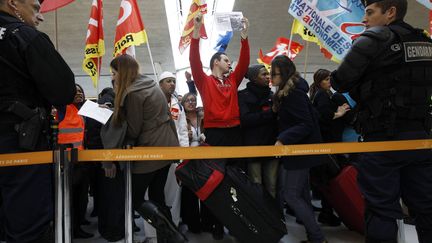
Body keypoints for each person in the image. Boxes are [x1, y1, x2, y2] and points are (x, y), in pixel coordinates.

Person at [330, 0, 432, 242]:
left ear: (390, 13)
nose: (364, 19)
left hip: (383, 141)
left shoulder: (374, 39)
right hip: (421, 141)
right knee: (427, 208)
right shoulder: (426, 43)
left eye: (369, 12)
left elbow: (339, 81)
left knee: (381, 210)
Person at [0, 0, 76, 242]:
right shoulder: (24, 36)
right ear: (13, 3)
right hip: (21, 146)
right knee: (28, 227)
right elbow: (63, 90)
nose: (40, 17)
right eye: (35, 8)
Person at [109, 54, 185, 243]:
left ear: (123, 72)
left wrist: (114, 122)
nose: (113, 76)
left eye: (114, 72)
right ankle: (169, 237)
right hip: (167, 145)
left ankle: (172, 234)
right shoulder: (150, 84)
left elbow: (134, 128)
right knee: (157, 195)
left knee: (135, 197)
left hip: (150, 148)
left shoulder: (133, 92)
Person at [189, 12, 250, 240]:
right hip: (215, 133)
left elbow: (244, 62)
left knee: (235, 179)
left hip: (235, 132)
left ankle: (236, 222)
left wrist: (244, 37)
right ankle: (214, 223)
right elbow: (194, 60)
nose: (230, 63)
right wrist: (196, 32)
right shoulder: (204, 80)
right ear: (216, 62)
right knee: (214, 179)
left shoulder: (233, 80)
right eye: (226, 60)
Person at [271, 55, 327, 243]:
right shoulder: (293, 92)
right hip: (299, 151)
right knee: (301, 195)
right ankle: (314, 236)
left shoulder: (294, 94)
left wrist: (282, 139)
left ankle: (317, 237)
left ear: (284, 74)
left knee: (291, 195)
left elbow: (306, 123)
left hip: (299, 152)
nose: (272, 78)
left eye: (275, 74)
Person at [238, 64, 279, 198]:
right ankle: (260, 216)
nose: (268, 77)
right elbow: (245, 120)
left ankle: (273, 217)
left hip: (271, 146)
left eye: (268, 74)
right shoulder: (242, 96)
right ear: (254, 78)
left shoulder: (273, 96)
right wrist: (269, 113)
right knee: (256, 185)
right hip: (253, 147)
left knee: (272, 185)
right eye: (264, 74)